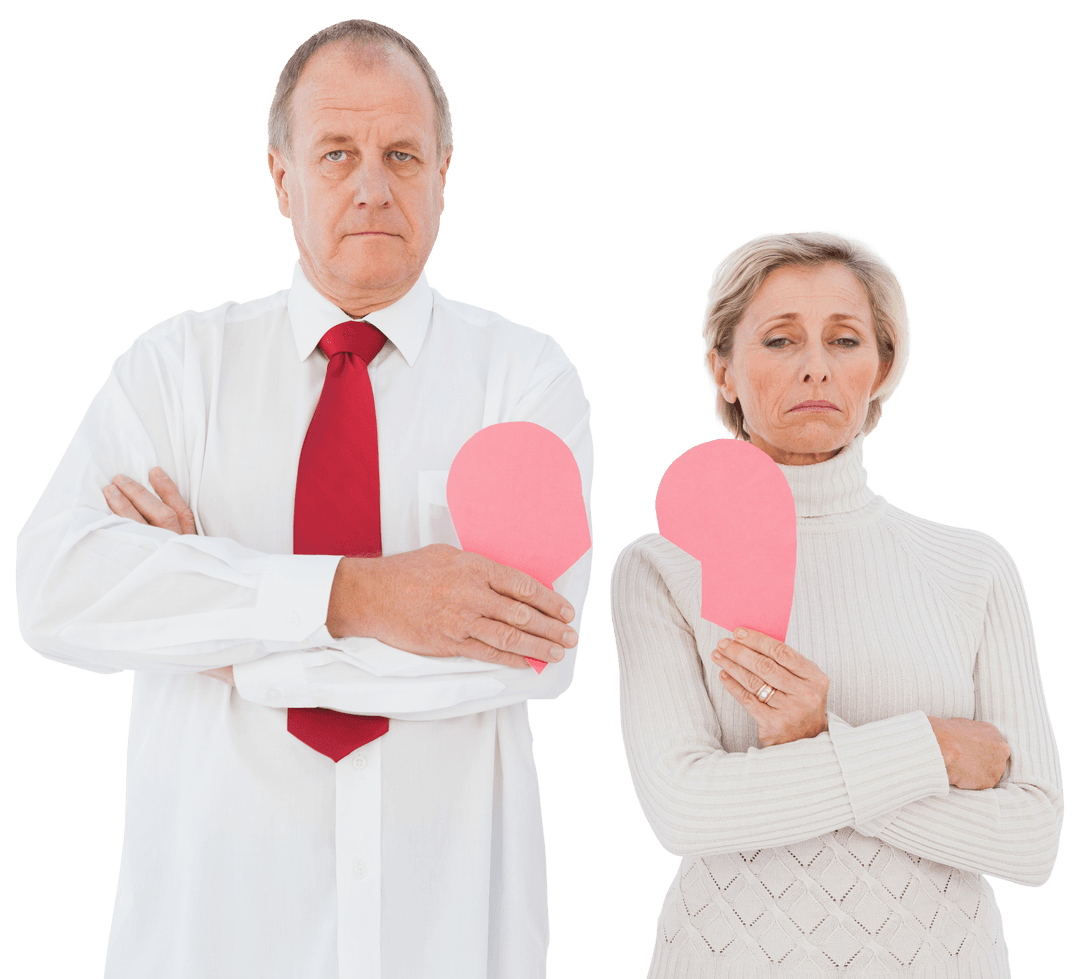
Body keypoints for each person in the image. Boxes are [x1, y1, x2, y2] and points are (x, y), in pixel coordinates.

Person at [15, 18, 592, 979]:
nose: (373, 184)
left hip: (444, 935)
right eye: (337, 153)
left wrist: (227, 639)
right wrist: (358, 597)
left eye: (402, 153)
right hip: (210, 937)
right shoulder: (177, 369)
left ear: (445, 171)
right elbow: (58, 588)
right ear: (282, 177)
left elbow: (532, 655)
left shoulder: (522, 380)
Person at [609, 228, 1063, 977]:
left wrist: (821, 734)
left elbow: (1030, 840)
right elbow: (687, 807)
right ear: (722, 367)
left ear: (883, 364)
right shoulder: (662, 567)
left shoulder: (973, 567)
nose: (815, 366)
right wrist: (931, 749)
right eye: (781, 339)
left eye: (845, 339)